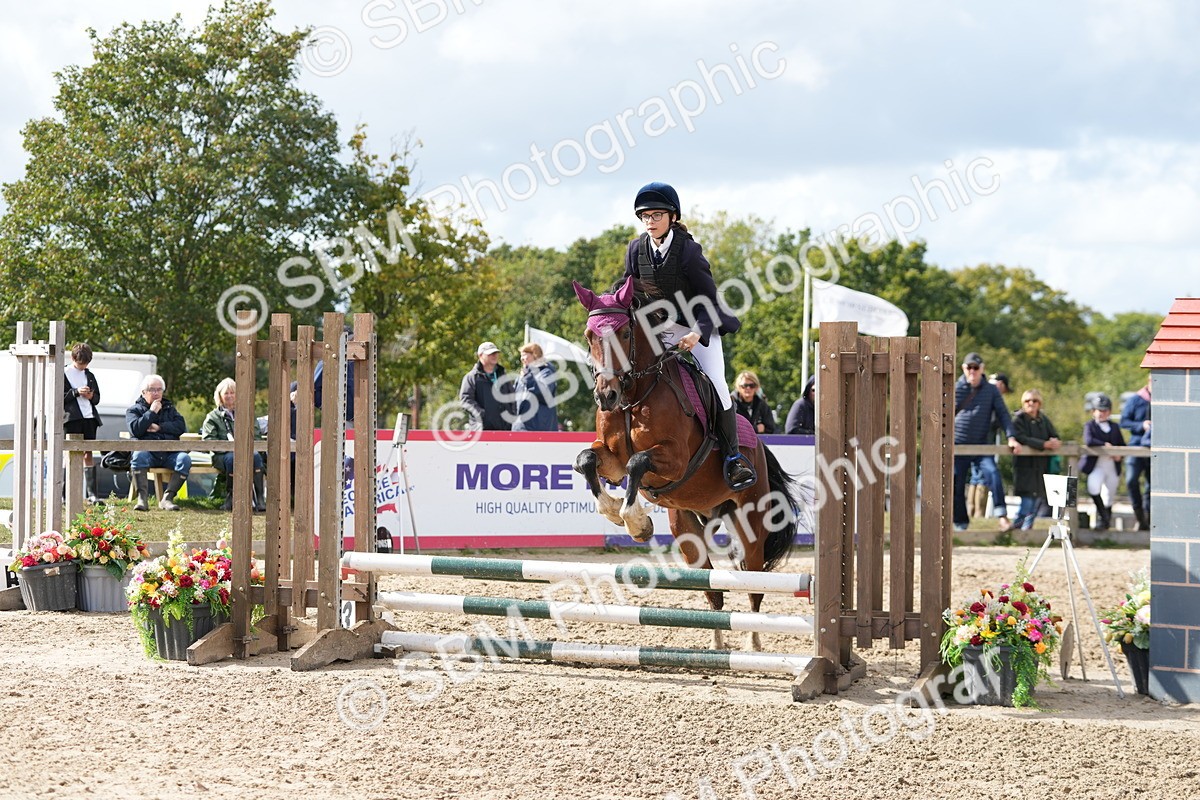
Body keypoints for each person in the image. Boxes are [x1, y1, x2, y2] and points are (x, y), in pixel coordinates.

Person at [622, 181, 755, 490]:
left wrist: (697, 333)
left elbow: (709, 298)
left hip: (698, 325)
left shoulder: (689, 251)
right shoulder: (636, 248)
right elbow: (628, 291)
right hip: (659, 329)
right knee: (625, 371)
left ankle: (733, 458)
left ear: (672, 217)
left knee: (718, 383)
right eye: (645, 216)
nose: (651, 222)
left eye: (657, 215)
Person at [953, 352, 1021, 531]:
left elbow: (1004, 414)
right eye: (969, 367)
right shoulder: (955, 387)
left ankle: (1002, 517)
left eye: (976, 368)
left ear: (982, 369)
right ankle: (960, 522)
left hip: (982, 444)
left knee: (992, 474)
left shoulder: (991, 390)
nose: (973, 371)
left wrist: (1012, 438)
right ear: (964, 369)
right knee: (955, 481)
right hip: (958, 444)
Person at [126, 374, 191, 512]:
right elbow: (136, 430)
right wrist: (151, 412)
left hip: (169, 454)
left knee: (184, 459)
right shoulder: (134, 410)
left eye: (159, 389)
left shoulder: (170, 408)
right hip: (148, 454)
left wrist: (159, 427)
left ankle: (167, 498)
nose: (156, 393)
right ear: (143, 392)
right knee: (138, 456)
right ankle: (142, 499)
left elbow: (180, 427)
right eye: (152, 389)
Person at [200, 378, 266, 512]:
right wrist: (229, 446)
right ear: (220, 396)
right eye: (226, 393)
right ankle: (231, 497)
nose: (230, 396)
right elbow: (209, 441)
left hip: (246, 452)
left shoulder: (247, 413)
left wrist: (244, 447)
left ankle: (259, 499)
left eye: (233, 393)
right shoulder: (212, 417)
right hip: (222, 456)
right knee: (232, 458)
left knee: (256, 456)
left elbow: (257, 436)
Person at [1010, 389, 1062, 530]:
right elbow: (1021, 437)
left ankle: (1027, 531)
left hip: (1040, 466)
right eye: (1027, 401)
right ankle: (1016, 530)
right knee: (1026, 501)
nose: (1031, 403)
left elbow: (1054, 434)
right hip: (1025, 466)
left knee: (1036, 501)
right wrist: (1043, 444)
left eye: (1034, 401)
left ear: (1039, 403)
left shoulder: (1043, 419)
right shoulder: (1018, 419)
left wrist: (1055, 441)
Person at [63, 342, 104, 504]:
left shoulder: (90, 375)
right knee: (69, 455)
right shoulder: (63, 373)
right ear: (73, 358)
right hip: (71, 419)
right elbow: (59, 398)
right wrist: (76, 392)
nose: (83, 367)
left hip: (89, 418)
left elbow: (98, 398)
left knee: (88, 453)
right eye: (81, 364)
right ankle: (65, 494)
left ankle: (92, 494)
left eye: (86, 364)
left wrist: (90, 396)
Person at [1081, 393, 1125, 531]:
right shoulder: (1090, 425)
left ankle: (1105, 522)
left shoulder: (1115, 427)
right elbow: (1089, 441)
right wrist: (1104, 445)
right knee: (1093, 487)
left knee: (1109, 494)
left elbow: (1122, 445)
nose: (1101, 413)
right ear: (1093, 411)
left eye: (1104, 410)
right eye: (1099, 410)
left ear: (1109, 412)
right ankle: (1103, 516)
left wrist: (1119, 456)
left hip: (1111, 465)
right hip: (1096, 464)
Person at [459, 341, 514, 431]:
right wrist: (483, 415)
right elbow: (466, 400)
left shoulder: (503, 376)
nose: (494, 356)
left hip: (505, 429)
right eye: (490, 354)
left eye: (496, 353)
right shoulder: (472, 377)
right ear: (480, 356)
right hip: (481, 430)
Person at [1120, 376, 1152, 530]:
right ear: (1149, 381)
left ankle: (1148, 519)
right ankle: (1139, 516)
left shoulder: (1165, 399)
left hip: (1154, 450)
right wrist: (1141, 425)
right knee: (1131, 481)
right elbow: (1124, 421)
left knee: (1152, 486)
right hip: (1136, 446)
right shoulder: (1136, 400)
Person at [511, 343, 558, 432]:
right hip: (520, 428)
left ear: (535, 355)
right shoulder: (521, 377)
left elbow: (544, 394)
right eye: (521, 356)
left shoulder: (546, 373)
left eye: (524, 355)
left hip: (539, 429)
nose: (522, 359)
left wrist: (527, 378)